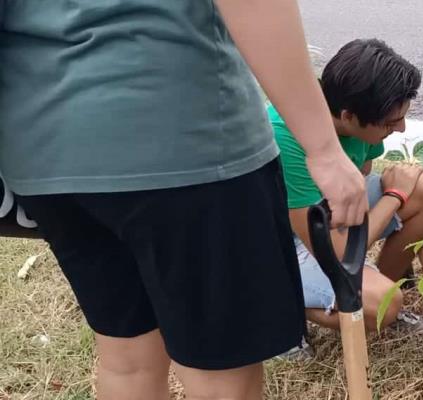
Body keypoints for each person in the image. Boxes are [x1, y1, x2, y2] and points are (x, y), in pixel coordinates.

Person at [0, 1, 367, 399]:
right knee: (221, 375)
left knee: (127, 360)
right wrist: (324, 149)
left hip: (47, 154)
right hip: (190, 147)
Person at [269, 39, 423, 333]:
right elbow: (339, 252)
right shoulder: (286, 139)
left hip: (326, 218)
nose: (401, 129)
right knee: (383, 304)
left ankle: (367, 291)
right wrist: (394, 196)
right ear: (348, 116)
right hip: (277, 245)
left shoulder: (356, 119)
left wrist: (421, 243)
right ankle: (278, 300)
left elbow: (358, 190)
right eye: (391, 124)